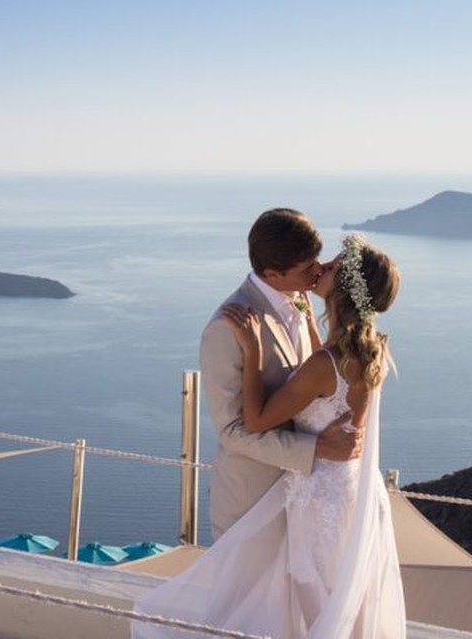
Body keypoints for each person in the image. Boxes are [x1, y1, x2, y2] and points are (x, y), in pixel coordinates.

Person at [134, 233, 405, 638]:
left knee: (318, 607)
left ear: (345, 290)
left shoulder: (323, 363)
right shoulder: (373, 349)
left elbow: (256, 420)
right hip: (350, 491)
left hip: (318, 503)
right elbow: (327, 381)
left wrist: (254, 351)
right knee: (344, 606)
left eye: (331, 267)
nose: (321, 267)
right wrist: (311, 322)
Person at [203, 207, 361, 541]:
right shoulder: (226, 328)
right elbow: (232, 431)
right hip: (252, 503)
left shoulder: (302, 299)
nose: (318, 270)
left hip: (310, 500)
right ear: (273, 274)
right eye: (307, 267)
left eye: (317, 260)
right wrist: (317, 448)